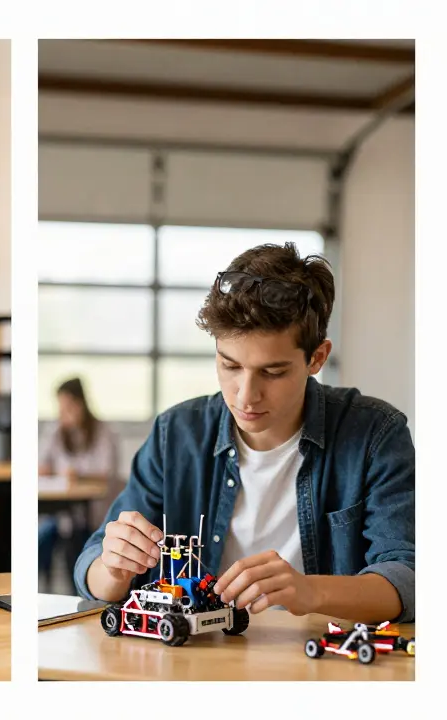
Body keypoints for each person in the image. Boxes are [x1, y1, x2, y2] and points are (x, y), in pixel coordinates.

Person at [75, 243, 414, 623]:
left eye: (273, 372)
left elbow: (407, 578)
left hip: (322, 666)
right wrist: (114, 569)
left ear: (316, 358)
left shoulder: (376, 435)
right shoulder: (176, 434)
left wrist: (310, 591)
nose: (245, 395)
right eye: (230, 365)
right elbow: (91, 569)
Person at [37, 377, 118, 585]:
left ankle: (80, 586)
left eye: (69, 406)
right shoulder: (55, 431)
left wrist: (78, 475)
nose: (64, 411)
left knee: (76, 538)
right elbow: (41, 466)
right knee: (42, 538)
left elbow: (107, 472)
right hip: (59, 512)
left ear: (80, 404)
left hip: (93, 512)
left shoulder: (102, 432)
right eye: (61, 406)